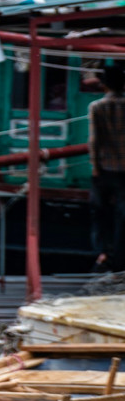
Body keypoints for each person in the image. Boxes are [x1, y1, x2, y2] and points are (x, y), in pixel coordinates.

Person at [91, 64, 125, 272]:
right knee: (123, 216)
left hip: (104, 168)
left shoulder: (97, 107)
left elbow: (95, 141)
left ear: (103, 85)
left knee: (99, 212)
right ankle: (120, 260)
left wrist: (95, 167)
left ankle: (103, 254)